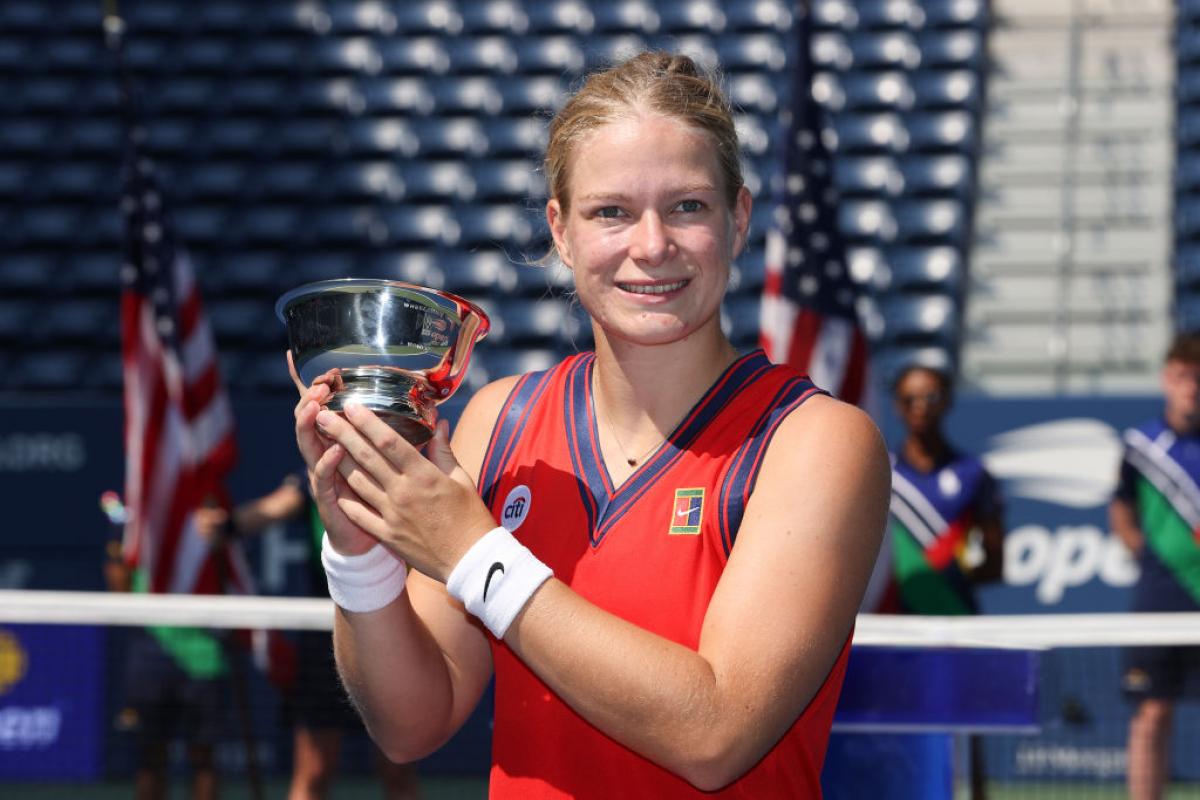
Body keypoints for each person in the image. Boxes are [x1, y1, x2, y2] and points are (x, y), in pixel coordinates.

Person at [291, 51, 890, 797]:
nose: (650, 245)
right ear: (562, 230)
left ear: (738, 220)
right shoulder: (499, 420)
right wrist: (360, 552)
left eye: (687, 207)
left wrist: (473, 554)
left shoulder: (814, 441)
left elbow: (717, 733)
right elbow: (413, 723)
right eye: (611, 211)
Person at [194, 477, 423, 800]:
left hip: (393, 638)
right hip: (324, 642)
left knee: (397, 772)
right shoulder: (316, 477)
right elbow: (274, 508)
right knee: (314, 770)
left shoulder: (398, 476)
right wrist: (227, 525)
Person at [886, 364, 1005, 800]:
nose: (921, 408)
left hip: (959, 624)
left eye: (932, 397)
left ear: (949, 401)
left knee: (968, 738)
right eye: (910, 399)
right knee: (897, 739)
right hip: (893, 630)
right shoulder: (881, 475)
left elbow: (996, 563)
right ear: (896, 407)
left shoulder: (974, 474)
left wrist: (953, 561)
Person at [1111, 332, 1200, 800]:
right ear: (1167, 379)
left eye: (1199, 378)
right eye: (1183, 376)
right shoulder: (1141, 446)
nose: (1192, 387)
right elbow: (1120, 504)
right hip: (1159, 601)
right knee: (1152, 714)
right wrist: (1139, 548)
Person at [103, 494, 226, 800]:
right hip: (151, 657)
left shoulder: (208, 516)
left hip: (203, 656)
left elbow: (227, 575)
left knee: (204, 760)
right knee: (151, 760)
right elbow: (119, 589)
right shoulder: (136, 524)